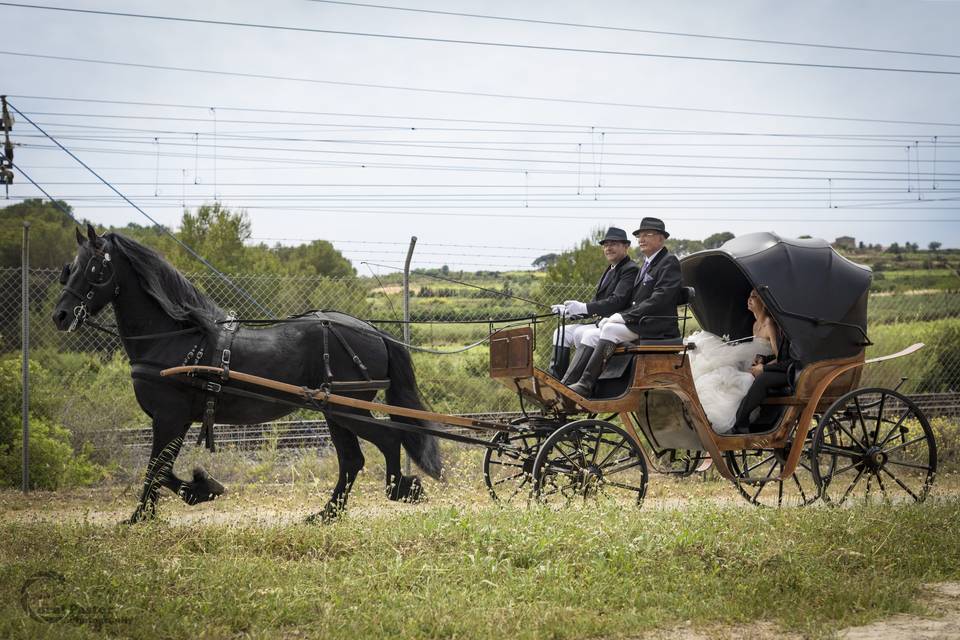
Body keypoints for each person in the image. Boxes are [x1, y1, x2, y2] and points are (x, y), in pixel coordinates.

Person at [564, 217, 682, 397]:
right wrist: (621, 314)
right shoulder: (647, 264)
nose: (641, 239)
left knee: (610, 329)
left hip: (657, 326)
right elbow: (636, 300)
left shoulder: (669, 261)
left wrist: (624, 316)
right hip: (642, 321)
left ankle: (586, 384)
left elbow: (660, 298)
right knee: (593, 334)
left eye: (647, 235)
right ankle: (568, 383)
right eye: (639, 236)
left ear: (661, 238)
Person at [546, 227, 638, 378]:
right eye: (605, 245)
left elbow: (617, 301)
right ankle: (555, 378)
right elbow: (598, 302)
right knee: (561, 332)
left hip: (616, 324)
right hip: (600, 321)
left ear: (626, 246)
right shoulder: (610, 269)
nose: (608, 248)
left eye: (613, 244)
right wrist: (572, 312)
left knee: (586, 334)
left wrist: (583, 307)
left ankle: (569, 383)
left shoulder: (630, 269)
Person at [686, 289, 775, 433]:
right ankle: (702, 412)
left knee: (740, 381)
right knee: (723, 374)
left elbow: (778, 354)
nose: (749, 299)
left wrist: (763, 366)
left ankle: (732, 420)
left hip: (761, 367)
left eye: (754, 297)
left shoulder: (769, 324)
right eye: (749, 296)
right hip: (752, 364)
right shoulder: (755, 325)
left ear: (763, 302)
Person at [730, 289, 800, 434]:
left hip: (794, 372)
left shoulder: (792, 330)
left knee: (763, 378)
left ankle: (741, 420)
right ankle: (761, 421)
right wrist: (764, 359)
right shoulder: (781, 326)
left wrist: (765, 368)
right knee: (755, 374)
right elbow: (781, 356)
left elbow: (792, 361)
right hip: (785, 368)